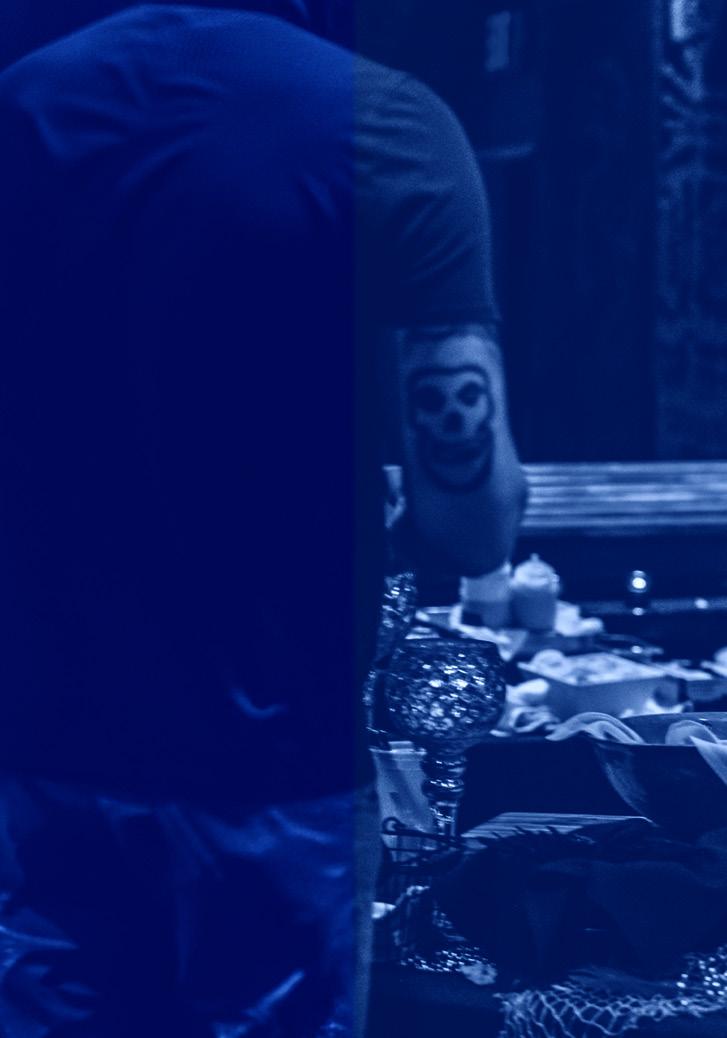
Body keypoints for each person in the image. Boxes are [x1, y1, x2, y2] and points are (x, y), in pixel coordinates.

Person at [0, 2, 526, 1035]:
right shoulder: (385, 125)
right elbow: (472, 524)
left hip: (39, 755)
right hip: (271, 771)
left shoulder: (19, 107)